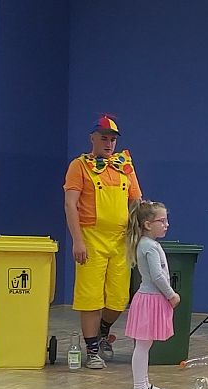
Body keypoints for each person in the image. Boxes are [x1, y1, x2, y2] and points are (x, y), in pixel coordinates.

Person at [63, 115, 142, 369]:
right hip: (91, 239)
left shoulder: (125, 166)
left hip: (120, 241)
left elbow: (136, 203)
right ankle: (92, 351)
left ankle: (103, 331)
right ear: (92, 138)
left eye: (112, 140)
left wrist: (141, 234)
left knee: (118, 299)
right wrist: (77, 241)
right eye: (104, 138)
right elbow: (70, 204)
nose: (109, 144)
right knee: (90, 298)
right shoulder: (79, 166)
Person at [124, 200, 179, 389]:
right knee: (143, 345)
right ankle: (140, 387)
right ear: (148, 224)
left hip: (150, 299)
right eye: (161, 221)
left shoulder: (149, 245)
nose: (166, 225)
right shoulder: (149, 246)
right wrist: (171, 294)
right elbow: (157, 276)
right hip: (150, 300)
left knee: (145, 344)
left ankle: (144, 383)